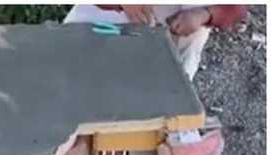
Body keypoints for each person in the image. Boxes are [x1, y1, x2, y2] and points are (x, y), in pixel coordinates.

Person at [64, 5, 249, 79]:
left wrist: (205, 14)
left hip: (181, 34)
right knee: (70, 63)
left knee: (159, 104)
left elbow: (236, 9)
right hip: (110, 14)